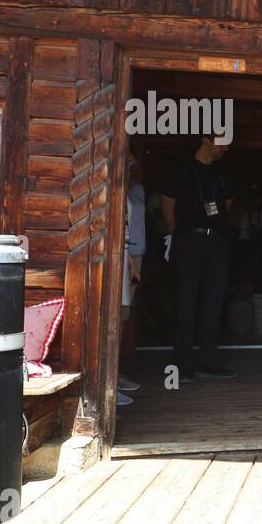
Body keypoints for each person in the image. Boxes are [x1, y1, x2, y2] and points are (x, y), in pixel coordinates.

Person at [162, 134, 236, 381]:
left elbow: (227, 205)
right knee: (186, 300)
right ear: (205, 139)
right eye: (222, 142)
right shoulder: (181, 170)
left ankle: (209, 360)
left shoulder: (222, 172)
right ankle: (183, 365)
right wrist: (175, 231)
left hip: (216, 241)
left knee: (214, 301)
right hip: (188, 240)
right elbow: (168, 203)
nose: (225, 148)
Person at [117, 154, 147, 406]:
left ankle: (115, 375)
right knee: (114, 317)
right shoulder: (115, 189)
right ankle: (110, 378)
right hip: (118, 261)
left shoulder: (134, 190)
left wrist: (133, 264)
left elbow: (128, 230)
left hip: (130, 257)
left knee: (123, 316)